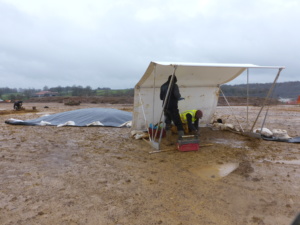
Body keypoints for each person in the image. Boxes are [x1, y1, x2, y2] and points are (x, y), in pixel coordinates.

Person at [160, 74, 184, 144]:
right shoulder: (174, 85)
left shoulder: (163, 86)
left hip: (165, 107)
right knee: (179, 123)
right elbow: (177, 95)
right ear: (174, 80)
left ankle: (168, 140)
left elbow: (161, 98)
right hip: (173, 107)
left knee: (168, 123)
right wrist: (179, 96)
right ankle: (181, 140)